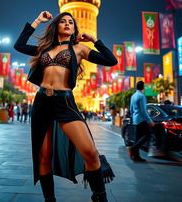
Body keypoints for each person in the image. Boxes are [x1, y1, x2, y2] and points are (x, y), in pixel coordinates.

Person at [14, 11, 117, 202]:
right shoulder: (45, 48)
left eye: (71, 22)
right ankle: (50, 200)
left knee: (90, 152)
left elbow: (111, 61)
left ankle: (100, 197)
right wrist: (37, 20)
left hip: (65, 103)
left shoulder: (79, 49)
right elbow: (18, 45)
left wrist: (94, 40)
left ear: (74, 28)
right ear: (56, 26)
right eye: (63, 21)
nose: (67, 24)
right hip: (42, 101)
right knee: (44, 156)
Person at [127, 81, 155, 162]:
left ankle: (136, 157)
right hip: (141, 119)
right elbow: (143, 110)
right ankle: (133, 148)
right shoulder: (141, 96)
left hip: (135, 119)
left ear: (136, 87)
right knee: (148, 134)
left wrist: (133, 118)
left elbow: (131, 109)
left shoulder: (133, 96)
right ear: (143, 87)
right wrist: (150, 121)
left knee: (137, 138)